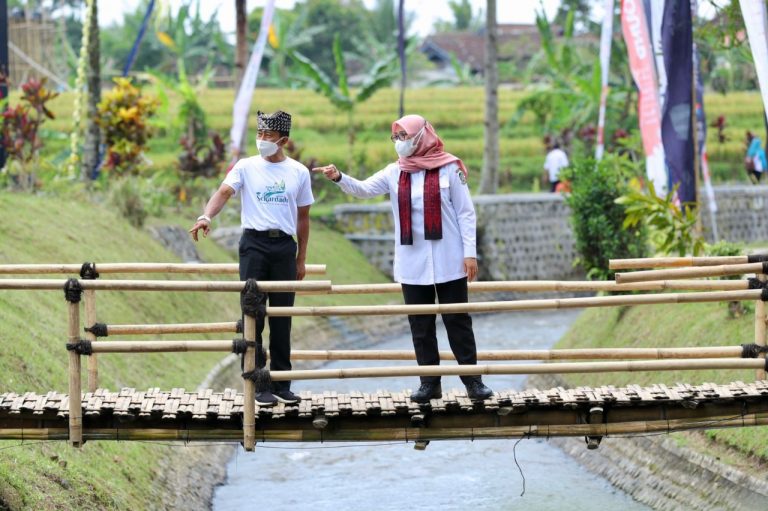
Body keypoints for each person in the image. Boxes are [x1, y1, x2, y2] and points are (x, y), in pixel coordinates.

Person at [312, 114, 493, 403]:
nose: (399, 143)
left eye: (404, 136)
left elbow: (465, 213)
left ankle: (473, 383)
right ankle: (429, 384)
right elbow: (364, 189)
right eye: (395, 137)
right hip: (412, 261)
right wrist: (339, 178)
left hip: (450, 259)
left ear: (421, 137)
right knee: (420, 325)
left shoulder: (449, 168)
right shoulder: (394, 172)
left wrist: (470, 253)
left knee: (457, 322)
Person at [189, 110, 313, 406]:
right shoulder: (245, 167)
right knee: (253, 315)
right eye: (259, 135)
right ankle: (259, 385)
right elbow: (223, 192)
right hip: (254, 247)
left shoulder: (298, 172)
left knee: (283, 318)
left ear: (283, 140)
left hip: (284, 247)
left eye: (268, 136)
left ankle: (282, 384)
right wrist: (206, 215)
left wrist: (301, 258)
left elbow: (304, 219)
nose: (262, 141)